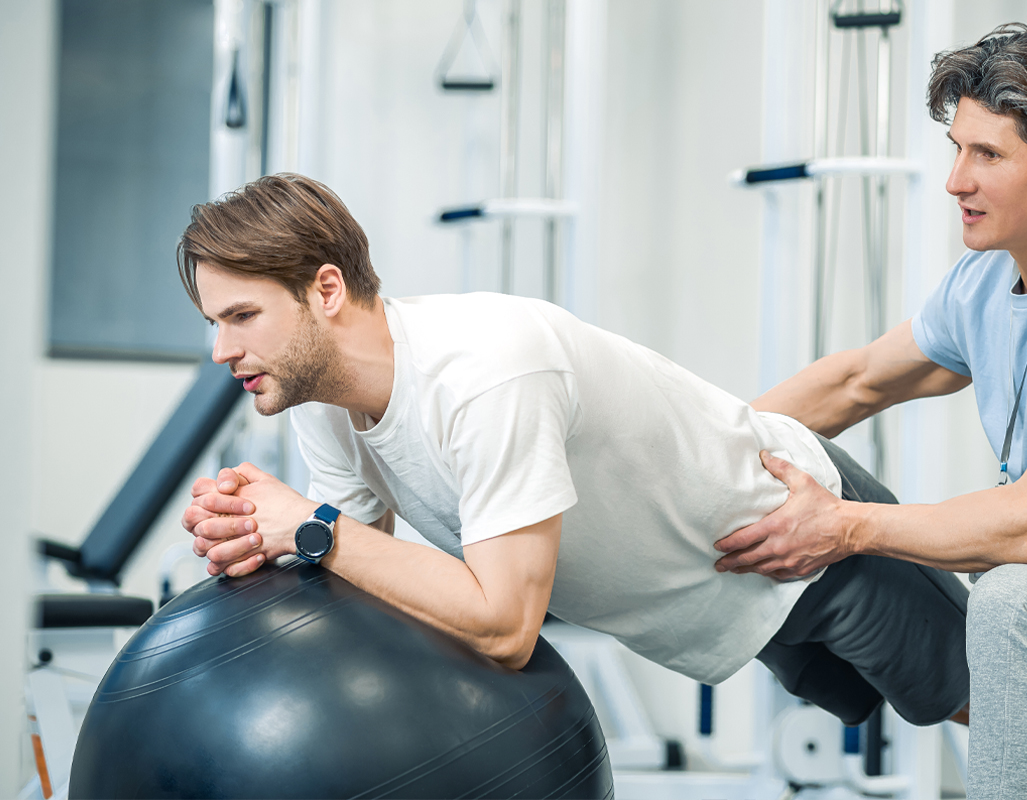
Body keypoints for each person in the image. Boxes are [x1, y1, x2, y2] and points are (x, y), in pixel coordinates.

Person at [177, 172, 970, 732]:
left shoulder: (485, 371)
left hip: (814, 543)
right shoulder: (324, 398)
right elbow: (352, 565)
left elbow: (504, 625)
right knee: (905, 712)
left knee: (996, 713)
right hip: (723, 605)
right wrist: (257, 535)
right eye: (215, 322)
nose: (221, 350)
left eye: (240, 316)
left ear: (324, 291)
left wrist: (309, 526)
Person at [714, 23, 1027, 799]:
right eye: (956, 149)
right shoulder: (982, 285)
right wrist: (704, 448)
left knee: (1017, 602)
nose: (955, 181)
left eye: (988, 155)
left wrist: (843, 528)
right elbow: (857, 382)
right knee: (785, 473)